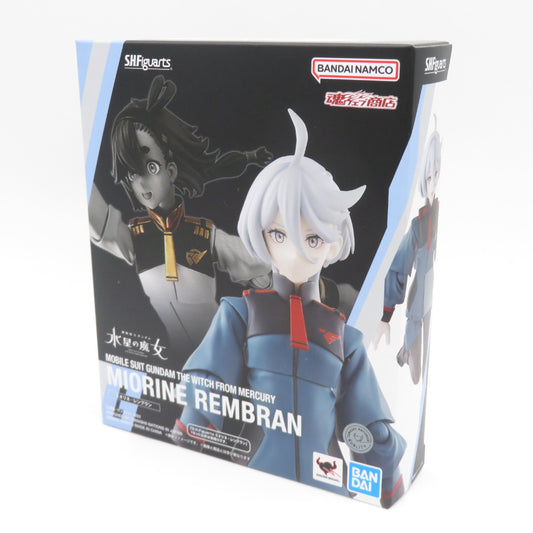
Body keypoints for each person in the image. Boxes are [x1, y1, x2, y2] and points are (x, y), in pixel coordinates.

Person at [175, 109, 405, 506]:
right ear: (261, 235)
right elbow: (205, 389)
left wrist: (388, 478)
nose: (295, 252)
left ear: (333, 244)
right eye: (279, 234)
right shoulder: (240, 315)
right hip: (253, 483)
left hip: (327, 488)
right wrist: (191, 446)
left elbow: (368, 426)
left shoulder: (345, 338)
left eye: (313, 239)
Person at [89, 75, 272, 363]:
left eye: (150, 167)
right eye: (132, 173)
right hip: (175, 360)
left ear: (171, 171)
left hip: (227, 355)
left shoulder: (204, 235)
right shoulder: (136, 238)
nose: (141, 183)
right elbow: (96, 219)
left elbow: (261, 263)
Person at [373, 119, 441, 385]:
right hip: (416, 313)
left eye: (436, 174)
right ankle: (406, 352)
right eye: (429, 176)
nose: (433, 182)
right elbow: (399, 267)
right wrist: (385, 315)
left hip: (429, 306)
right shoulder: (418, 225)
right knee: (415, 376)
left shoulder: (436, 214)